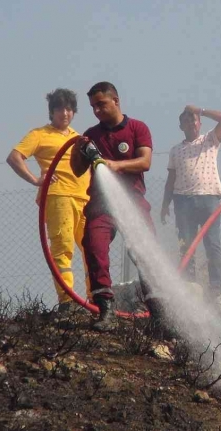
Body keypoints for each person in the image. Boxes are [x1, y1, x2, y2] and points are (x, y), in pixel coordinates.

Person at [70, 81, 157, 331]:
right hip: (101, 204)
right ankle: (106, 310)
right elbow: (77, 171)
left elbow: (145, 162)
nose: (96, 110)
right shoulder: (91, 135)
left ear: (116, 101)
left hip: (132, 201)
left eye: (101, 104)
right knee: (94, 248)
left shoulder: (137, 128)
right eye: (93, 107)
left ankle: (158, 312)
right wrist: (79, 152)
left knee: (146, 254)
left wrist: (116, 165)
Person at [7, 88, 91, 313]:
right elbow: (14, 157)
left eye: (69, 109)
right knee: (63, 248)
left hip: (85, 198)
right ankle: (67, 301)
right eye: (60, 108)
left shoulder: (79, 137)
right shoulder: (39, 134)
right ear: (52, 111)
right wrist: (36, 179)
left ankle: (96, 300)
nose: (65, 113)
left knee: (92, 248)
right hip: (58, 196)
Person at [160, 105, 221, 297]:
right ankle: (190, 285)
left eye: (194, 120)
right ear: (181, 126)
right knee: (186, 244)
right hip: (182, 201)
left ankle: (215, 288)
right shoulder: (175, 150)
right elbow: (171, 179)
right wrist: (165, 204)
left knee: (212, 243)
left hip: (209, 198)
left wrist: (200, 110)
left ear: (199, 123)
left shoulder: (209, 140)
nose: (191, 123)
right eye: (186, 121)